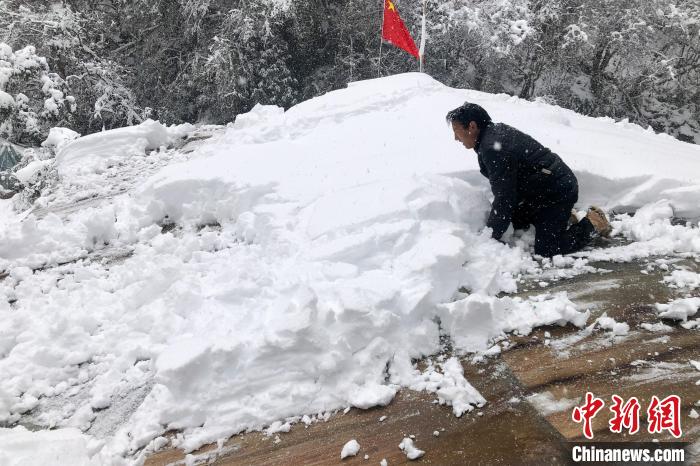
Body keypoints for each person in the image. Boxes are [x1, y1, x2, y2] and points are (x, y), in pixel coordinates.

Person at [446, 102, 611, 257]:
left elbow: (504, 197)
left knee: (547, 249)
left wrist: (489, 237)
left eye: (456, 130)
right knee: (516, 220)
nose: (455, 138)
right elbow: (507, 191)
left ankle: (593, 222)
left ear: (472, 126)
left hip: (557, 191)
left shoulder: (492, 147)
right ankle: (562, 217)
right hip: (542, 188)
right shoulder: (492, 136)